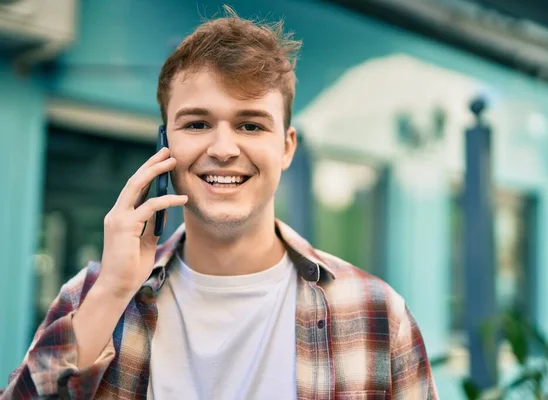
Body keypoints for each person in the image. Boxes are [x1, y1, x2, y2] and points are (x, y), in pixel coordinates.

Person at [0, 7, 438, 400]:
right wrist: (113, 290)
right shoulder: (93, 296)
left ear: (286, 148)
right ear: (164, 143)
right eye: (197, 123)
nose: (223, 148)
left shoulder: (378, 314)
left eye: (250, 126)